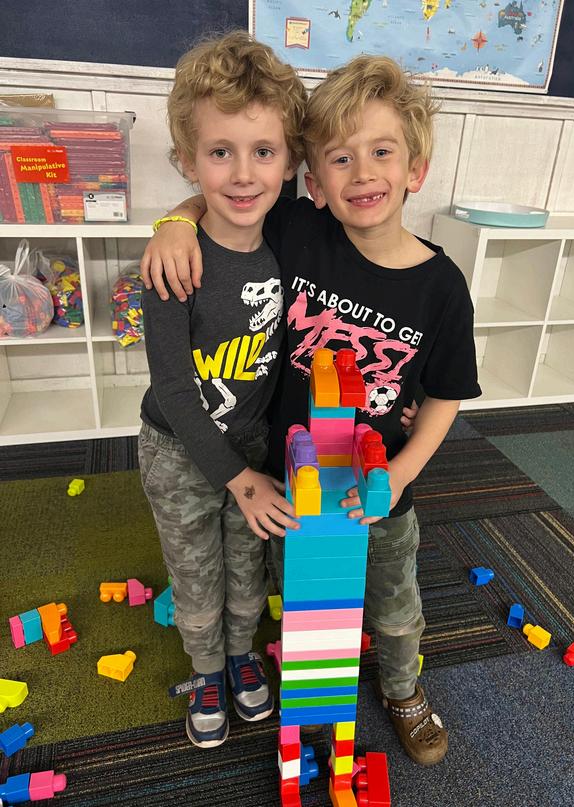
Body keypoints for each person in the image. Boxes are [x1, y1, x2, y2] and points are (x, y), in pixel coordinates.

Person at [141, 53, 481, 766]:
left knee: (394, 603)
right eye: (340, 158)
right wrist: (173, 221)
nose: (362, 174)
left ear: (415, 169)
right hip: (294, 479)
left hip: (379, 488)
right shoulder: (298, 233)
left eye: (382, 152)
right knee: (303, 600)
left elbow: (446, 394)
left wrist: (399, 470)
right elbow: (226, 196)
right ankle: (284, 683)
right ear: (316, 183)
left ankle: (403, 689)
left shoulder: (442, 286)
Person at [138, 31, 306, 750]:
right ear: (187, 159)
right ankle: (207, 669)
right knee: (196, 574)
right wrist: (175, 220)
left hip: (254, 446)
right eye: (219, 152)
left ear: (290, 162)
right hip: (179, 453)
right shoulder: (173, 262)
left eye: (263, 151)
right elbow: (175, 391)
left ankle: (241, 656)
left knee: (247, 567)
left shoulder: (289, 243)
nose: (242, 174)